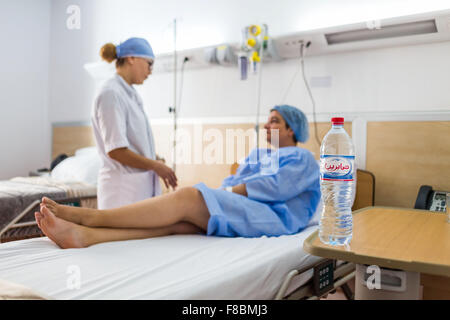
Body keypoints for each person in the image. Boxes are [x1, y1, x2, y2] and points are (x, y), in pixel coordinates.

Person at [35, 105, 321, 249]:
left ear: (291, 130)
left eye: (274, 120)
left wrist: (214, 195)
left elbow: (274, 188)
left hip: (273, 216)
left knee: (187, 197)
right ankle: (86, 236)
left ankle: (89, 217)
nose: (266, 124)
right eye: (267, 119)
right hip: (244, 208)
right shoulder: (258, 155)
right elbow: (234, 184)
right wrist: (220, 193)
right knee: (177, 223)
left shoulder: (303, 158)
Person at [92, 37, 177, 210]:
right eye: (149, 63)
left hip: (137, 190)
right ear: (131, 58)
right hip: (121, 191)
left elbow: (133, 142)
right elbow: (116, 150)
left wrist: (154, 158)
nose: (150, 71)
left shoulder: (130, 94)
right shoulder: (111, 93)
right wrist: (155, 166)